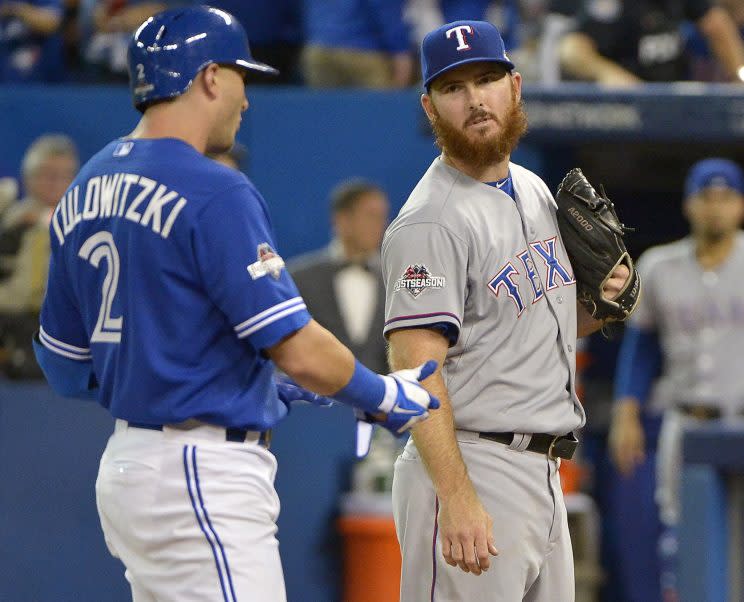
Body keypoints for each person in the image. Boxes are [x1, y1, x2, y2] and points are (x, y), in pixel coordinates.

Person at [31, 6, 439, 601]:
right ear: (209, 77)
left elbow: (63, 368)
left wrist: (227, 379)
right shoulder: (213, 186)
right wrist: (384, 395)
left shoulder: (84, 186)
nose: (246, 100)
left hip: (130, 466)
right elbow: (297, 349)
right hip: (200, 473)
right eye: (241, 77)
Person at [381, 20, 631, 601]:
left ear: (515, 86)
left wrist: (605, 304)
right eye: (454, 87)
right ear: (429, 106)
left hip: (542, 471)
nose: (475, 100)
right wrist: (457, 496)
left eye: (488, 79)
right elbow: (416, 371)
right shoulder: (431, 220)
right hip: (471, 462)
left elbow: (533, 329)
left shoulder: (535, 189)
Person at [609, 158, 744, 600]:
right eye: (706, 197)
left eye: (726, 198)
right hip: (683, 420)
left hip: (741, 418)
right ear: (688, 204)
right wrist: (626, 413)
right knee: (679, 536)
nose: (716, 207)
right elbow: (642, 348)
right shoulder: (661, 264)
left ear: (740, 206)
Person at [290, 179, 390, 373]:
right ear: (342, 219)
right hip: (316, 401)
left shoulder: (394, 281)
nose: (380, 225)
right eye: (371, 216)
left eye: (382, 217)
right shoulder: (299, 279)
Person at [558, 0, 744, 85]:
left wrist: (740, 75)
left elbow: (716, 24)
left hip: (674, 98)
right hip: (624, 108)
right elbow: (571, 51)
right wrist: (608, 73)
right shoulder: (610, 5)